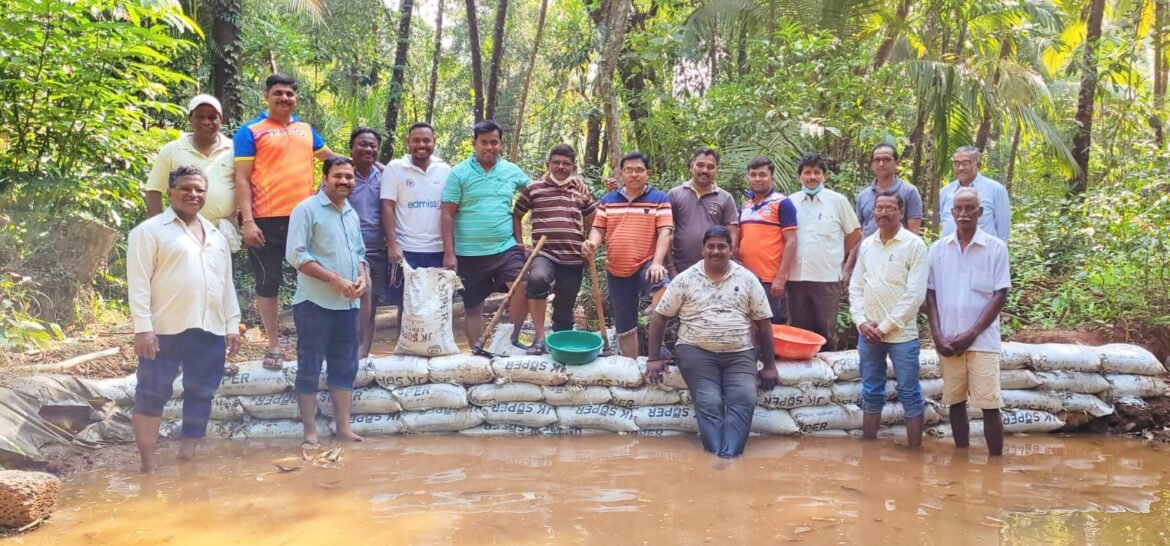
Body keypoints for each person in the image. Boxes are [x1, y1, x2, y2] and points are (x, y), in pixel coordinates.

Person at [128, 166, 241, 473]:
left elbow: (226, 283)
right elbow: (138, 284)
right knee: (151, 393)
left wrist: (232, 325)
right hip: (164, 329)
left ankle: (187, 456)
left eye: (200, 190)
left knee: (201, 391)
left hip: (209, 328)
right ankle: (148, 464)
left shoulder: (217, 236)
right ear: (170, 192)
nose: (194, 194)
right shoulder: (149, 232)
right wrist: (143, 329)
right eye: (186, 188)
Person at [234, 73, 339, 371]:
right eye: (278, 93)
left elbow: (332, 160)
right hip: (265, 221)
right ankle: (274, 345)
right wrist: (248, 222)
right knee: (268, 284)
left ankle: (318, 342)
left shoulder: (306, 130)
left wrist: (374, 166)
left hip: (305, 219)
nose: (284, 98)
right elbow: (241, 179)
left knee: (316, 278)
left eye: (289, 94)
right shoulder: (251, 131)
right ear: (266, 96)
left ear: (296, 98)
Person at [645, 226, 778, 458]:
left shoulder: (747, 279)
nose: (716, 251)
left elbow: (764, 325)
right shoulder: (685, 279)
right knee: (710, 401)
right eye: (711, 247)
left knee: (744, 399)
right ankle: (716, 455)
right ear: (703, 250)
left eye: (721, 247)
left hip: (740, 353)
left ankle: (729, 457)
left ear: (731, 249)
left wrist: (769, 366)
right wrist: (654, 358)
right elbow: (660, 317)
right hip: (696, 351)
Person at [286, 157, 368, 448]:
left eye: (349, 176)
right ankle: (310, 432)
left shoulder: (351, 214)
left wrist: (361, 277)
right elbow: (296, 255)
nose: (344, 181)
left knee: (345, 366)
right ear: (324, 177)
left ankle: (343, 428)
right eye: (338, 176)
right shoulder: (306, 210)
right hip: (314, 304)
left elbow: (360, 252)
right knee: (309, 365)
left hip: (348, 306)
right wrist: (335, 280)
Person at [926, 187, 1011, 456]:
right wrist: (937, 336)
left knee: (989, 404)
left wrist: (971, 334)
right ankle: (961, 459)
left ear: (980, 212)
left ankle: (995, 465)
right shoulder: (938, 250)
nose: (963, 214)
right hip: (948, 340)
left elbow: (1000, 296)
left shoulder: (996, 248)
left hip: (983, 342)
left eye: (969, 208)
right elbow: (930, 294)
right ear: (951, 213)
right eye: (958, 209)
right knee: (956, 403)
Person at [440, 120, 531, 349]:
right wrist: (449, 254)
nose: (489, 147)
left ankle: (510, 341)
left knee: (522, 287)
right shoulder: (458, 173)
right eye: (484, 142)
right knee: (473, 306)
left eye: (494, 142)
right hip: (468, 253)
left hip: (505, 248)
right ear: (474, 144)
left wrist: (568, 185)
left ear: (501, 144)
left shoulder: (512, 170)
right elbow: (447, 214)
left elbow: (538, 194)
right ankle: (476, 350)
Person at [849, 191, 929, 447]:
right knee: (871, 390)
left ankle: (915, 452)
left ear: (901, 212)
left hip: (901, 335)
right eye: (879, 208)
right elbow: (856, 286)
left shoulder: (914, 245)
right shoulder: (868, 244)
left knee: (909, 391)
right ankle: (868, 448)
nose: (883, 213)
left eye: (889, 208)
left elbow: (914, 295)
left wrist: (883, 328)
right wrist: (861, 322)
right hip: (868, 333)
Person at [582, 151, 673, 357]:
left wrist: (657, 262)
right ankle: (630, 365)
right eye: (629, 170)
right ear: (621, 173)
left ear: (648, 173)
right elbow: (598, 229)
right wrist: (592, 243)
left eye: (639, 170)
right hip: (616, 267)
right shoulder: (608, 200)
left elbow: (665, 232)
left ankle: (656, 348)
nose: (634, 174)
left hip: (646, 263)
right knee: (624, 322)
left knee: (662, 288)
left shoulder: (659, 199)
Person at [512, 144, 596, 354]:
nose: (561, 167)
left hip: (573, 256)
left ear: (574, 167)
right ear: (547, 164)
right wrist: (520, 244)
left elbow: (595, 221)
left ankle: (561, 341)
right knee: (538, 279)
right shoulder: (534, 189)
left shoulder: (581, 191)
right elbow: (516, 214)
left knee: (566, 301)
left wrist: (592, 242)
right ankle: (539, 339)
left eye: (566, 164)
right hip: (544, 252)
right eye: (556, 162)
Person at [786, 153, 861, 350]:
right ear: (799, 177)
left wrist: (837, 254)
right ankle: (802, 376)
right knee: (798, 332)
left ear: (824, 176)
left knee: (826, 331)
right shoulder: (789, 202)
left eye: (817, 172)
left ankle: (828, 377)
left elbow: (854, 233)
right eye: (807, 172)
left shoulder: (838, 201)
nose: (812, 177)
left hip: (827, 277)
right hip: (796, 277)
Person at [144, 95, 239, 250]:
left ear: (221, 120)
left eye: (212, 117)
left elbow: (245, 185)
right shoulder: (173, 149)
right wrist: (159, 230)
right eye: (200, 117)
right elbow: (154, 190)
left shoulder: (234, 150)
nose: (206, 122)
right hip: (180, 231)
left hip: (221, 233)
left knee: (220, 274)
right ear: (190, 119)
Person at [382, 122, 451, 331]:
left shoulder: (445, 170)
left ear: (434, 142)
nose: (422, 144)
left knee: (438, 303)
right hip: (406, 249)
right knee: (407, 303)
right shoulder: (395, 168)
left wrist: (450, 250)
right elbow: (387, 206)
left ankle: (436, 347)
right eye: (416, 140)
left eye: (426, 140)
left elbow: (451, 210)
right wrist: (392, 243)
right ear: (408, 142)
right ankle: (404, 349)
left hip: (437, 249)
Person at [736, 157, 798, 324]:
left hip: (770, 280)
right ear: (747, 177)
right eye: (753, 174)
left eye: (763, 175)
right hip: (746, 277)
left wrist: (781, 277)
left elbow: (791, 241)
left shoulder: (782, 203)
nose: (757, 178)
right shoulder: (745, 206)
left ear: (772, 178)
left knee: (769, 327)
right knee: (746, 324)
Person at [666, 147, 739, 274]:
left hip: (714, 267)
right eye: (700, 165)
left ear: (717, 170)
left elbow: (732, 233)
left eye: (710, 167)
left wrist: (727, 259)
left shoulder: (725, 198)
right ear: (691, 166)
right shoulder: (675, 194)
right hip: (680, 267)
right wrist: (671, 267)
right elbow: (664, 232)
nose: (705, 170)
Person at [345, 128, 385, 358]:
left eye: (372, 145)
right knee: (354, 300)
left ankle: (364, 355)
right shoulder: (342, 175)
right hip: (348, 250)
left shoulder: (385, 177)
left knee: (372, 306)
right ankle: (348, 351)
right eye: (362, 144)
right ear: (352, 148)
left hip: (378, 248)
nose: (368, 149)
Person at [940, 146, 1011, 241]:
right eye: (956, 164)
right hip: (950, 252)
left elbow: (1003, 231)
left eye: (966, 163)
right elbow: (945, 223)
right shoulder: (946, 191)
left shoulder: (995, 190)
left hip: (984, 253)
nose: (960, 168)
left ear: (977, 164)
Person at [855, 143, 923, 237]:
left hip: (897, 250)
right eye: (877, 160)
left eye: (886, 159)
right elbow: (859, 230)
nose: (881, 164)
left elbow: (913, 232)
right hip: (867, 250)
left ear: (896, 163)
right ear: (872, 165)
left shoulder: (909, 192)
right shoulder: (863, 195)